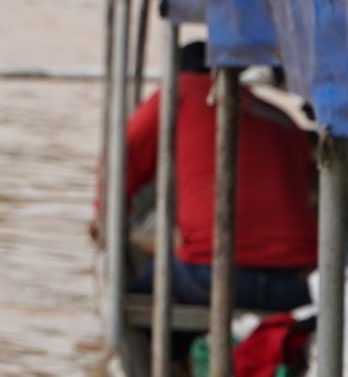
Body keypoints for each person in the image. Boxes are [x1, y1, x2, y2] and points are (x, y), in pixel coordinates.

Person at [115, 41, 321, 312]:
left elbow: (122, 158)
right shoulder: (283, 119)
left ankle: (172, 348)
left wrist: (104, 217)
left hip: (211, 278)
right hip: (296, 284)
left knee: (134, 292)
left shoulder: (181, 90)